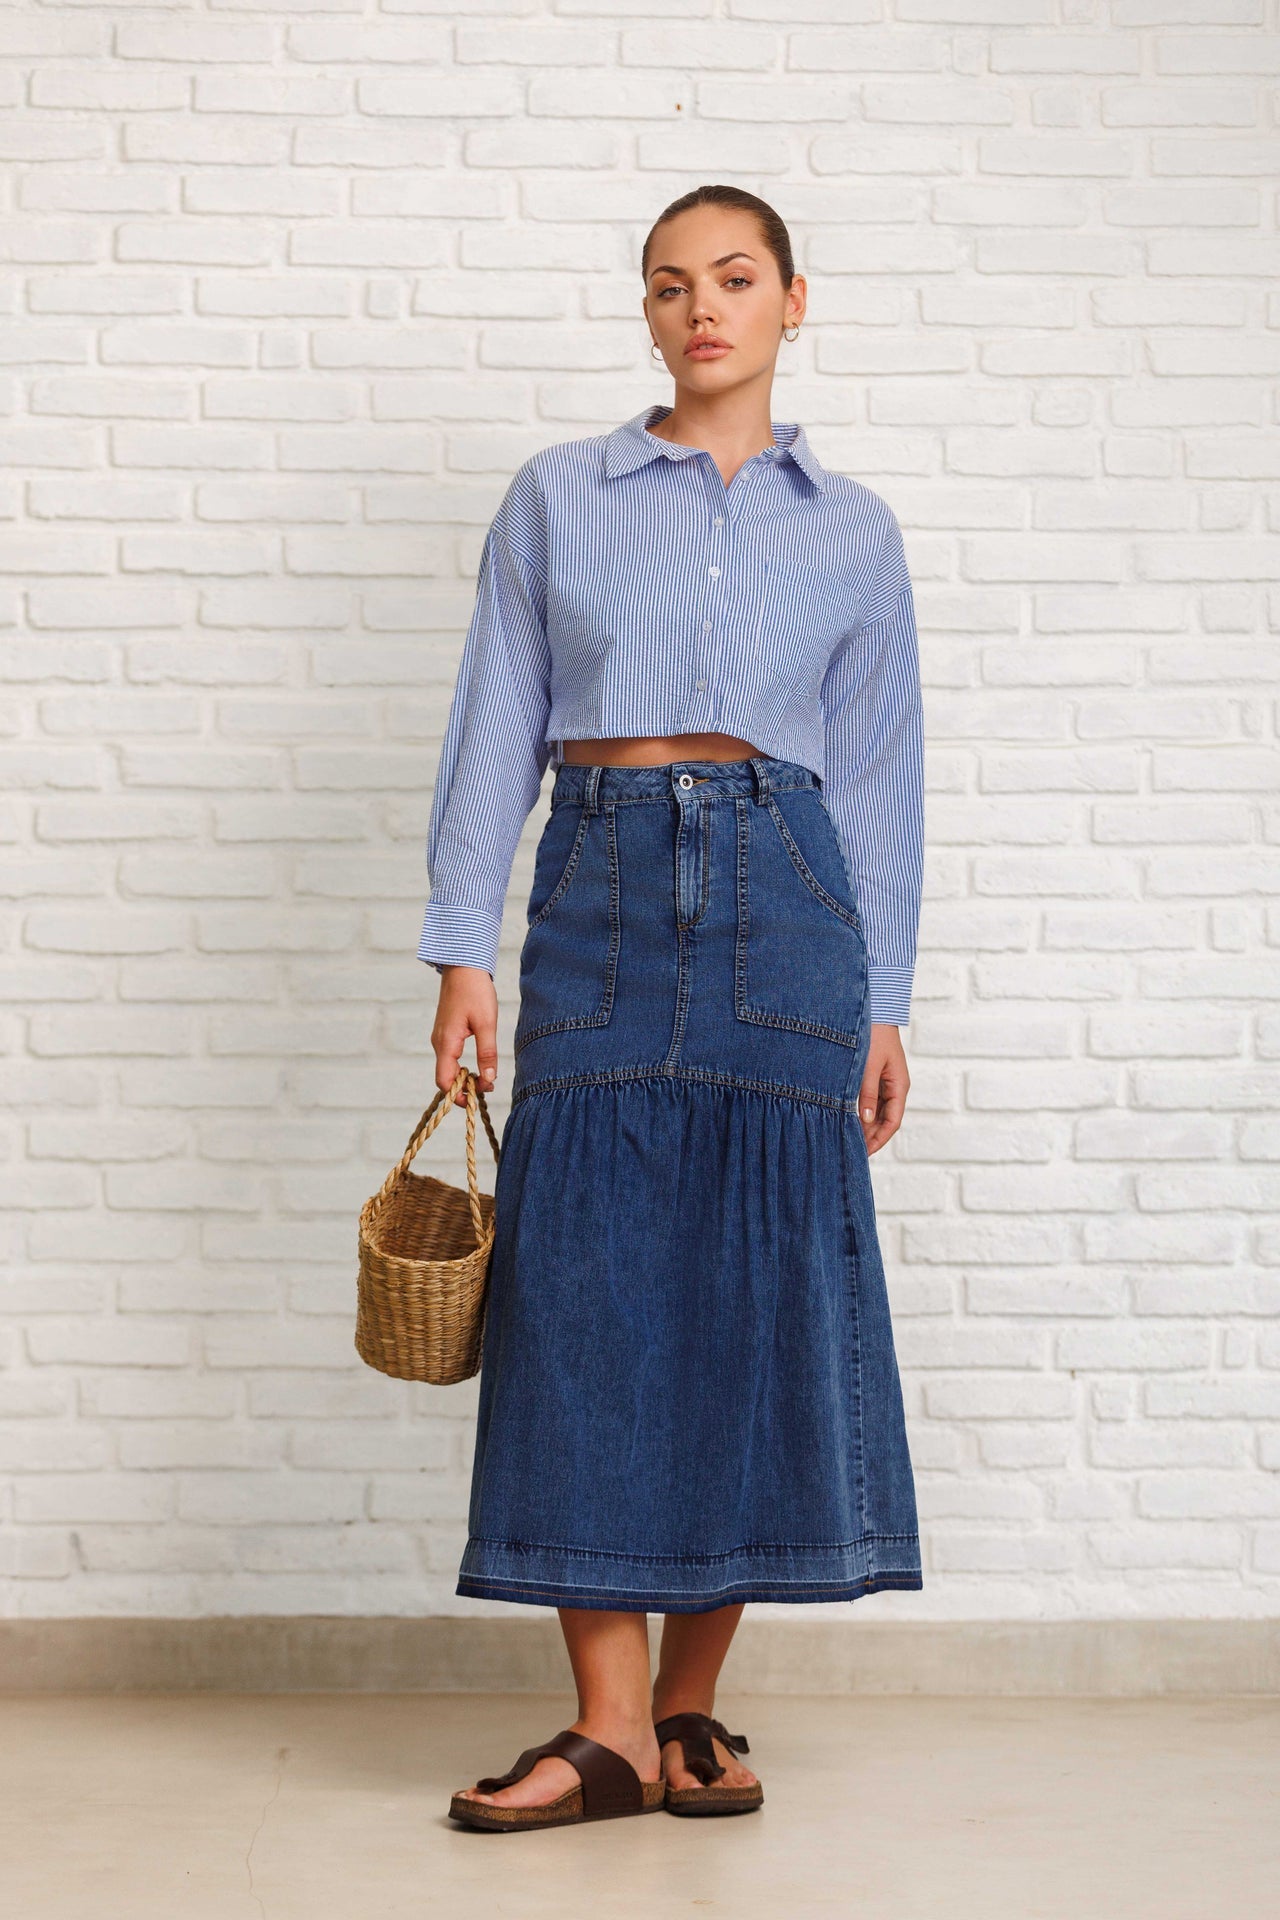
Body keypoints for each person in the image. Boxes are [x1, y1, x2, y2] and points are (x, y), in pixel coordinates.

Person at [418, 184, 925, 1834]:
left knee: (755, 1289)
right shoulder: (558, 497)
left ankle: (690, 1707)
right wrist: (462, 948)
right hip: (602, 885)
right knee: (581, 1293)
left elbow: (879, 778)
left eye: (734, 278)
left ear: (793, 300)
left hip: (791, 899)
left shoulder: (854, 532)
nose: (701, 307)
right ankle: (610, 1728)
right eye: (667, 285)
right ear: (646, 314)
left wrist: (885, 999)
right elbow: (498, 715)